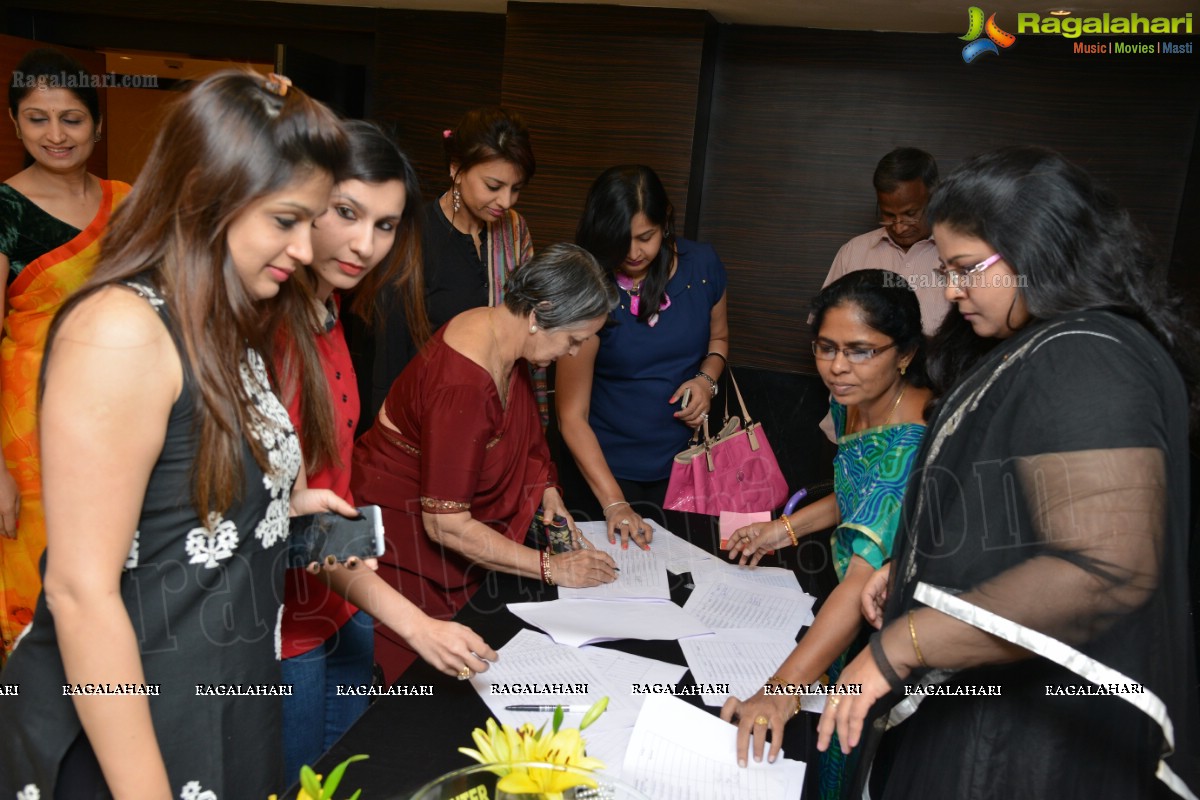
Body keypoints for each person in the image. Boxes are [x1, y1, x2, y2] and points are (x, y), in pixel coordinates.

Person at [0, 71, 359, 799]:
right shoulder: (122, 331)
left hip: (221, 690)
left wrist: (281, 512)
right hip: (134, 718)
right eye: (285, 219)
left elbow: (176, 508)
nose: (304, 246)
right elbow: (79, 591)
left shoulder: (226, 318)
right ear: (208, 194)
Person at [818, 146, 1200, 800]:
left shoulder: (1091, 355)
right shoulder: (1049, 345)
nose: (953, 290)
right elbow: (1016, 507)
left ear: (1041, 251)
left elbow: (1098, 569)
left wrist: (895, 648)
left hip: (1030, 743)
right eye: (947, 270)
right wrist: (912, 568)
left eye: (966, 269)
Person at [273, 120, 494, 778]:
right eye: (346, 213)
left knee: (358, 775)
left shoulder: (332, 310)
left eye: (386, 225)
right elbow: (291, 517)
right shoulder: (270, 332)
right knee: (303, 784)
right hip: (285, 623)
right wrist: (419, 624)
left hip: (346, 597)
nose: (364, 244)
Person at [352, 243, 620, 685]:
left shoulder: (500, 333)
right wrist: (552, 568)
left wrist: (546, 491)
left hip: (441, 540)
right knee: (417, 685)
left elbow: (523, 436)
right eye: (573, 339)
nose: (572, 354)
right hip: (400, 546)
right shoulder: (465, 383)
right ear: (540, 313)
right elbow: (446, 525)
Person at [719, 270, 930, 799]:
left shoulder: (909, 443)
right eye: (826, 347)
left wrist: (781, 692)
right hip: (845, 609)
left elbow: (863, 577)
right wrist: (784, 529)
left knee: (854, 757)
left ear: (903, 354)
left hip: (885, 625)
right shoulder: (853, 396)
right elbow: (858, 496)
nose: (837, 367)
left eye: (860, 351)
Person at [0, 48, 132, 661]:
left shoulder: (128, 202)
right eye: (37, 118)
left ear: (97, 124)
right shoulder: (4, 209)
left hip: (125, 409)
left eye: (72, 118)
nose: (56, 135)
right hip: (29, 426)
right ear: (14, 123)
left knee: (119, 575)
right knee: (39, 592)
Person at [558, 165, 728, 545]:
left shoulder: (702, 266)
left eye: (645, 237)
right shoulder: (588, 287)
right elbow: (571, 417)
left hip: (686, 466)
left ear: (665, 221)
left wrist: (706, 380)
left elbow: (719, 340)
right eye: (620, 240)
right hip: (604, 474)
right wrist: (614, 503)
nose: (632, 253)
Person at [371, 106, 536, 419]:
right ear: (456, 169)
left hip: (497, 414)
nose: (506, 202)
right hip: (430, 414)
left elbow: (530, 323)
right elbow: (390, 356)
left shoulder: (514, 231)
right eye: (493, 186)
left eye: (516, 189)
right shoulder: (413, 236)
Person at [822, 147, 947, 336]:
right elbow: (825, 327)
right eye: (888, 215)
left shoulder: (962, 256)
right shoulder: (853, 252)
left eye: (910, 214)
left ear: (934, 199)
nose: (899, 227)